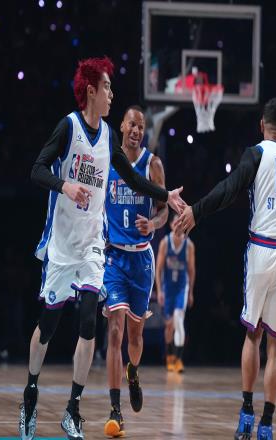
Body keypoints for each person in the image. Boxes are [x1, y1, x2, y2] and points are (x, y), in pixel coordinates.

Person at [19, 56, 185, 440]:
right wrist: (64, 185)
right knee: (48, 325)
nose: (112, 94)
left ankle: (73, 410)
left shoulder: (108, 135)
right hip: (63, 244)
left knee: (90, 323)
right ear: (91, 91)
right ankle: (30, 394)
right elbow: (37, 169)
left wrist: (166, 196)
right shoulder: (69, 127)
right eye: (107, 87)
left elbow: (133, 179)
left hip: (95, 246)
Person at [175, 98, 276, 440]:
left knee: (253, 335)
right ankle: (268, 424)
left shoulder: (256, 154)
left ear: (262, 126)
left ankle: (247, 412)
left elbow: (229, 189)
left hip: (262, 249)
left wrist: (197, 211)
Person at [102, 105, 168, 437]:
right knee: (114, 332)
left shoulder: (152, 164)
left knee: (135, 336)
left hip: (141, 260)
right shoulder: (108, 160)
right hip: (114, 258)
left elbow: (164, 212)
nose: (136, 130)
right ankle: (115, 411)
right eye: (132, 124)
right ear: (122, 126)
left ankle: (133, 371)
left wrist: (153, 225)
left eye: (141, 126)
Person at [155, 214, 195, 373]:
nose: (178, 226)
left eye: (181, 223)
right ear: (171, 225)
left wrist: (190, 292)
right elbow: (158, 269)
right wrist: (159, 290)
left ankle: (178, 359)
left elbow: (191, 270)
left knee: (179, 320)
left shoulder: (189, 245)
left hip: (181, 288)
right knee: (169, 326)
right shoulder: (165, 243)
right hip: (168, 288)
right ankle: (170, 356)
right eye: (176, 223)